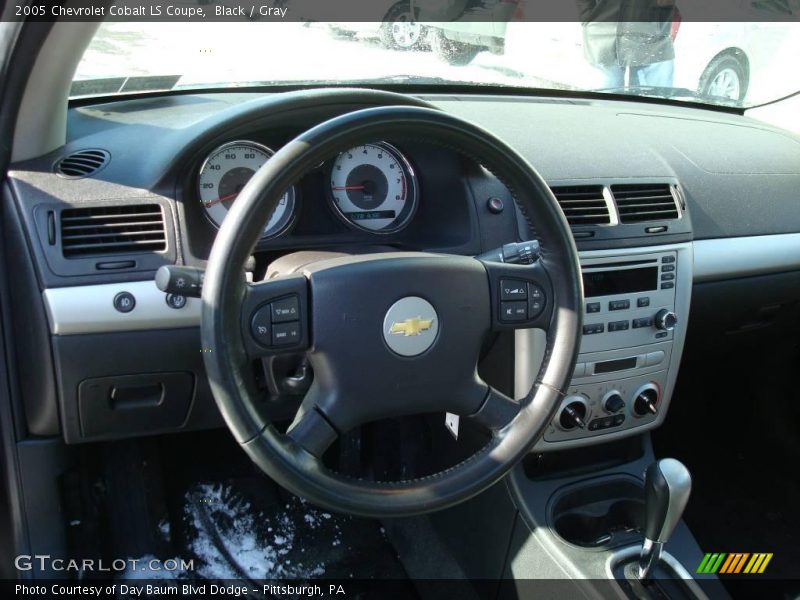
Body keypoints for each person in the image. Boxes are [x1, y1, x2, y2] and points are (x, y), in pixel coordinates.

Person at [577, 0, 679, 89]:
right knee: (604, 100)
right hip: (604, 30)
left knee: (655, 101)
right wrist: (587, 16)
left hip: (652, 30)